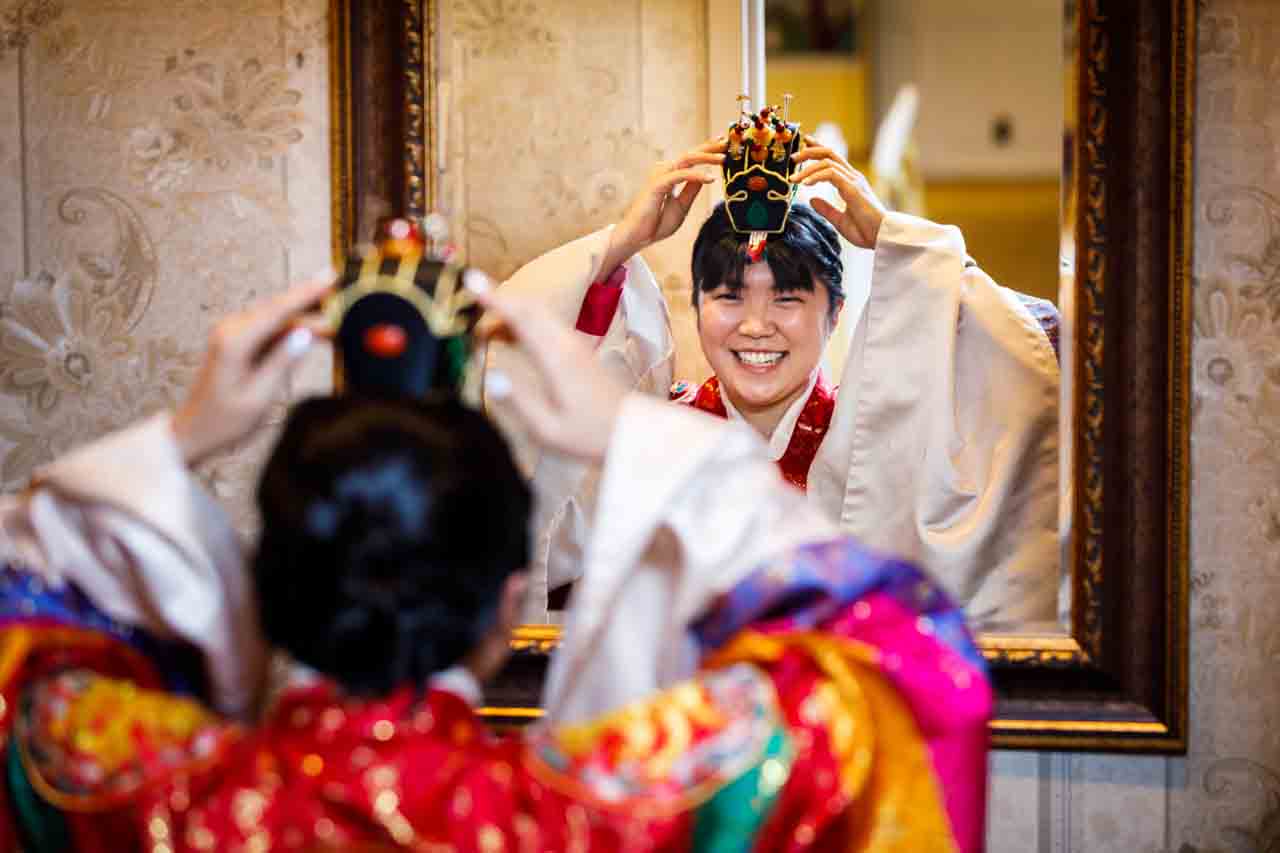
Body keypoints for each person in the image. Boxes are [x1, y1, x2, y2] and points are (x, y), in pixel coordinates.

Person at [0, 271, 992, 850]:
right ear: (506, 602)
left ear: (262, 588)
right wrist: (638, 439)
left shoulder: (132, 787)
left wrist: (179, 434)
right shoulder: (584, 814)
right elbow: (900, 670)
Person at [490, 125, 1061, 629]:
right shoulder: (651, 439)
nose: (756, 326)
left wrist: (898, 242)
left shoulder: (881, 443)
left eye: (787, 298)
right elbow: (522, 430)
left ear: (835, 313)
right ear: (696, 307)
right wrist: (621, 244)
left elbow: (1028, 362)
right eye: (728, 296)